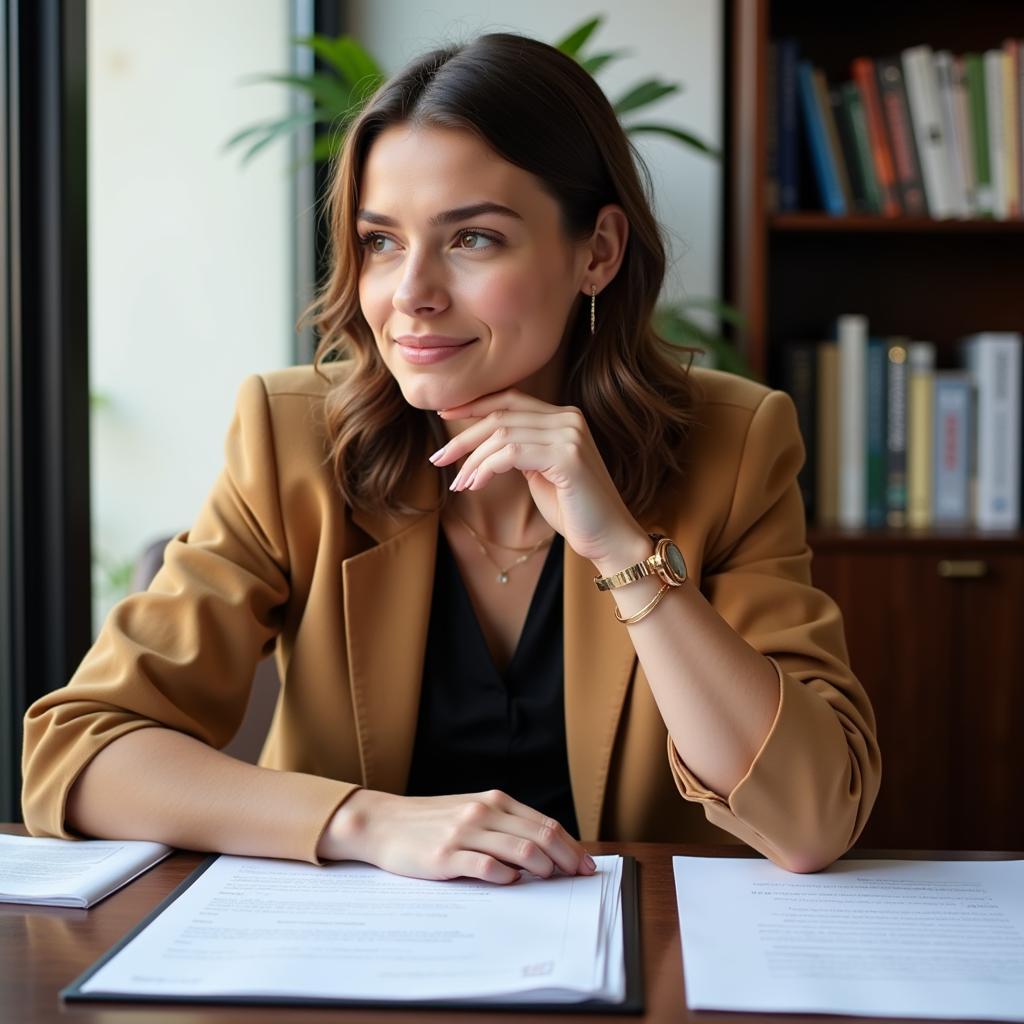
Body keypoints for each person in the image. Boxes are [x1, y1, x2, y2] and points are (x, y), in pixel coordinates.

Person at [21, 32, 880, 883]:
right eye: (382, 242)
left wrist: (623, 553)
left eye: (473, 239)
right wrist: (363, 821)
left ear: (598, 251)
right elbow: (79, 754)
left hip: (633, 972)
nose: (412, 295)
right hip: (353, 972)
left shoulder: (733, 444)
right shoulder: (292, 439)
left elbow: (810, 823)